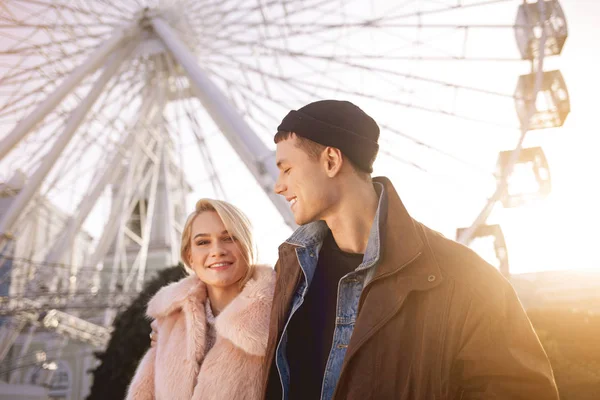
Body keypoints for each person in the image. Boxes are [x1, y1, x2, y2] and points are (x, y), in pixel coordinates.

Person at [261, 100, 559, 399]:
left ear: (330, 161)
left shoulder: (465, 279)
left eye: (286, 169)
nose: (278, 186)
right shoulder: (290, 267)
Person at [126, 198, 274, 400]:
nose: (217, 251)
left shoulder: (279, 317)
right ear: (190, 257)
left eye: (229, 238)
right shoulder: (169, 324)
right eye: (203, 242)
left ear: (247, 245)